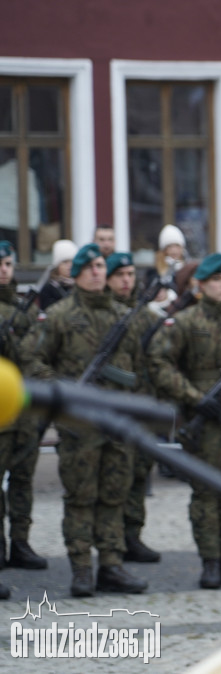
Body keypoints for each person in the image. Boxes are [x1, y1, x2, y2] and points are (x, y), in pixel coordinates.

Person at [21, 243, 147, 596]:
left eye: (100, 266)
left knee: (114, 494)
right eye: (89, 267)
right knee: (80, 496)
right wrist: (65, 390)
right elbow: (32, 361)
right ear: (75, 274)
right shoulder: (59, 315)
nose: (97, 272)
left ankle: (111, 563)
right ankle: (81, 568)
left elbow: (140, 367)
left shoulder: (124, 316)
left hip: (116, 419)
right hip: (78, 422)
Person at [149, 254, 221, 590]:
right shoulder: (186, 322)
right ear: (201, 284)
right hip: (204, 418)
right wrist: (194, 397)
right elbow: (159, 364)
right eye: (218, 280)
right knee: (206, 492)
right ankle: (211, 561)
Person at [105, 252, 162, 564]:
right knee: (113, 478)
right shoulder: (106, 314)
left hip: (141, 405)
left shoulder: (147, 317)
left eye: (130, 274)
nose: (127, 280)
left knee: (139, 473)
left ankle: (133, 535)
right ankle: (111, 540)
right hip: (112, 407)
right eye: (120, 275)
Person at [0, 241, 47, 588]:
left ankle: (21, 541)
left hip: (25, 406)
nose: (3, 270)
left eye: (7, 264)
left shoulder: (23, 308)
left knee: (23, 479)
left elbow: (35, 354)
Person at [37, 238, 76, 310]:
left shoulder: (80, 285)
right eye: (65, 262)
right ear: (57, 266)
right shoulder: (48, 289)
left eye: (72, 261)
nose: (70, 266)